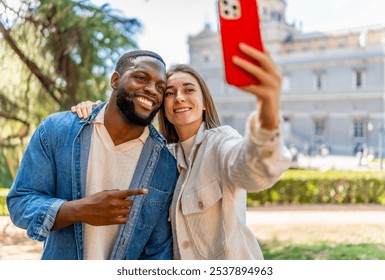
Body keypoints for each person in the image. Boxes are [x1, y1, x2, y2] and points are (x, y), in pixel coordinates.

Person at [72, 43, 291, 259]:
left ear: (204, 102)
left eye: (189, 90)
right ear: (162, 107)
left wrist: (268, 114)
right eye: (169, 93)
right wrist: (99, 112)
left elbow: (252, 172)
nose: (179, 97)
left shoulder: (220, 143)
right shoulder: (160, 158)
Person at [6, 50, 179, 260]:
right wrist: (78, 210)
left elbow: (158, 250)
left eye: (160, 87)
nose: (152, 90)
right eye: (141, 78)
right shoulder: (56, 131)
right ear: (115, 80)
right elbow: (20, 202)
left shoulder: (166, 163)